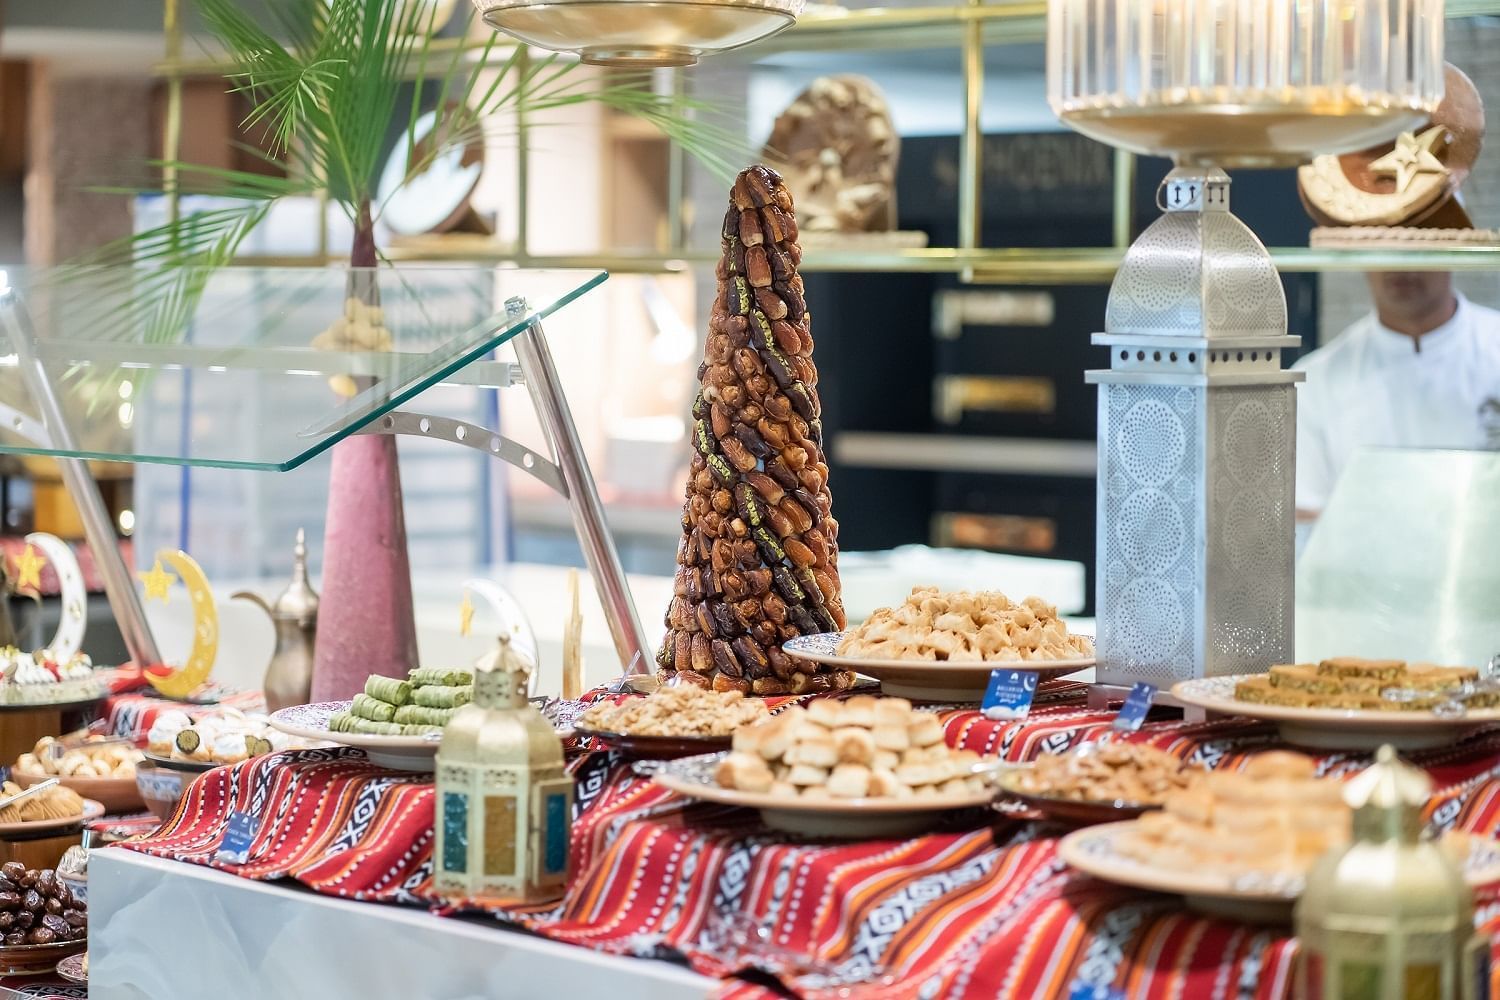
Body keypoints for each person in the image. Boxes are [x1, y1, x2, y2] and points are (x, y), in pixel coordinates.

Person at [1294, 271, 1500, 518]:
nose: (1399, 268)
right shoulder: (1313, 379)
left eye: (1414, 239)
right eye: (1382, 242)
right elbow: (1304, 516)